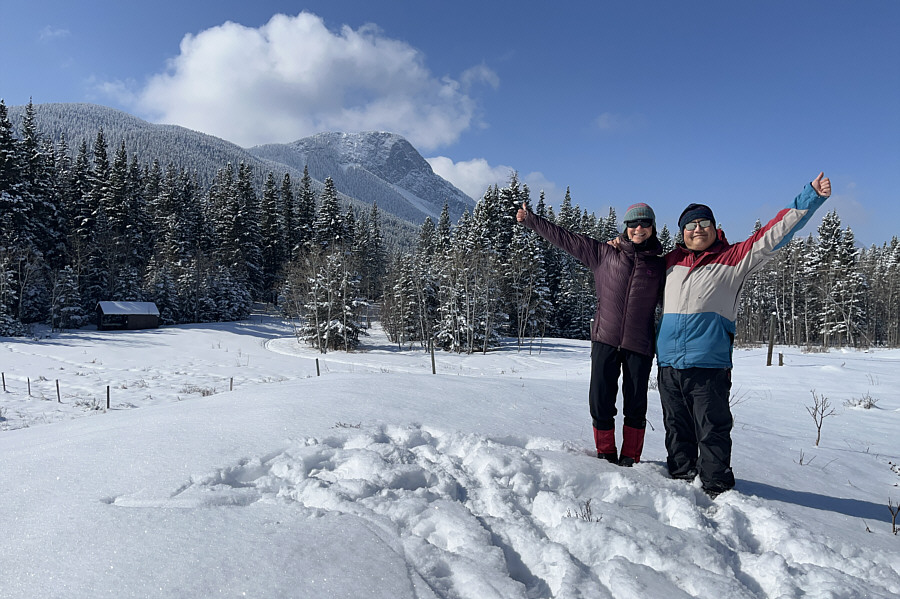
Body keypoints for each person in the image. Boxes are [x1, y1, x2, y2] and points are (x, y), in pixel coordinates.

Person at [656, 172, 832, 497]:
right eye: (690, 225)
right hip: (668, 366)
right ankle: (680, 485)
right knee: (676, 429)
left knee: (713, 431)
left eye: (703, 223)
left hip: (708, 366)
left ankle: (716, 489)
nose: (697, 229)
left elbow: (773, 233)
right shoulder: (669, 262)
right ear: (682, 233)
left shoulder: (733, 259)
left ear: (714, 226)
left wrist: (811, 197)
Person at [517, 201, 665, 466]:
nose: (638, 228)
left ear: (653, 228)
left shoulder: (660, 266)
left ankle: (630, 458)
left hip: (639, 345)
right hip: (605, 339)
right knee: (600, 401)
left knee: (636, 406)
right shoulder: (604, 254)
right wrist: (531, 219)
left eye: (645, 223)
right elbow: (566, 238)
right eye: (633, 223)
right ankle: (605, 455)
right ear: (626, 227)